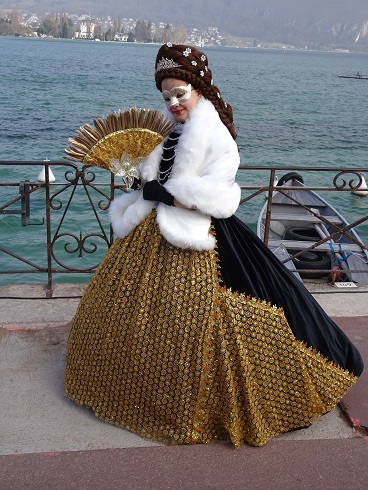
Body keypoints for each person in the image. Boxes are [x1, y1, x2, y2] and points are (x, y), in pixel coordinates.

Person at [64, 43, 363, 447]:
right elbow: (156, 180)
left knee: (209, 319)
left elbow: (221, 198)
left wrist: (168, 195)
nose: (172, 103)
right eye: (166, 95)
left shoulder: (217, 136)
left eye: (179, 94)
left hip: (199, 235)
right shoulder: (170, 134)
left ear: (198, 88)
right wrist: (139, 182)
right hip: (151, 233)